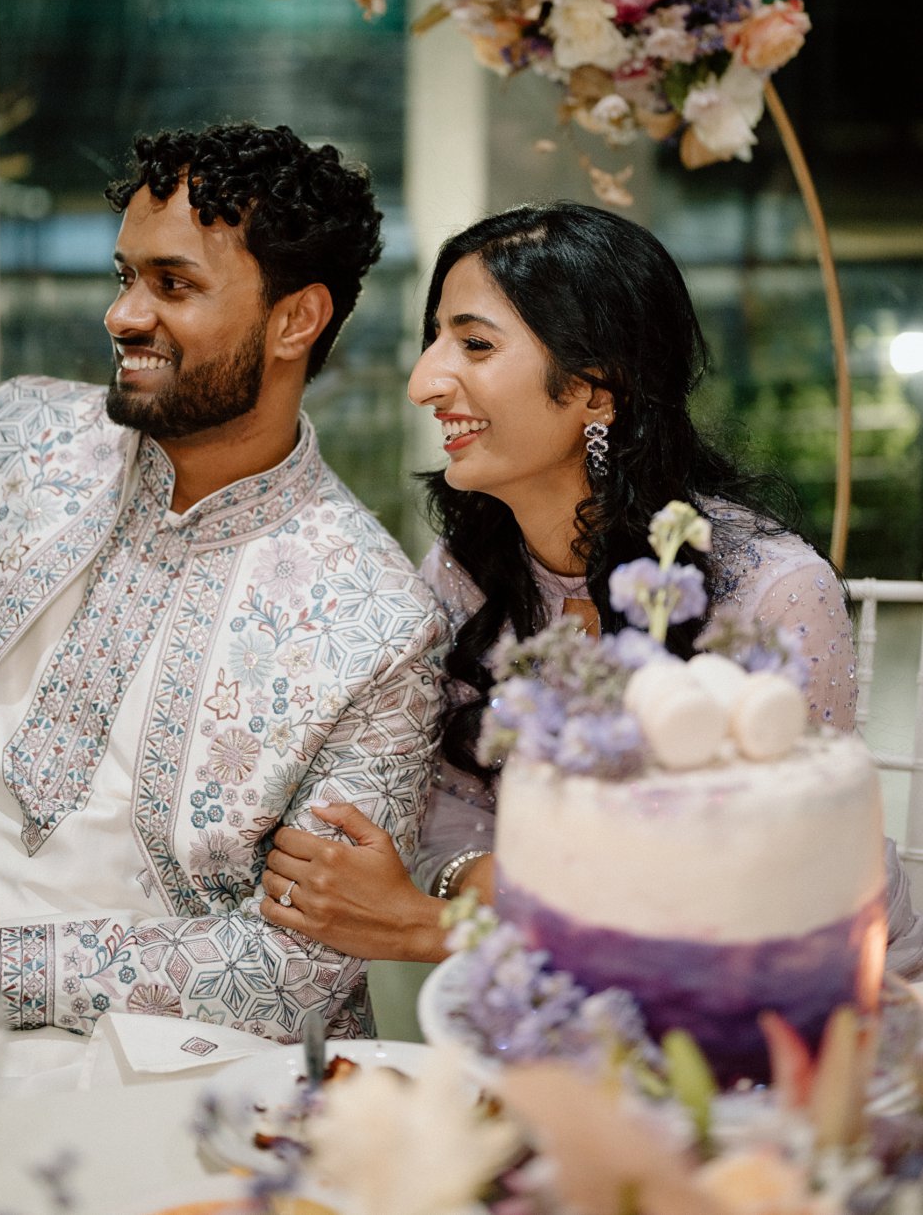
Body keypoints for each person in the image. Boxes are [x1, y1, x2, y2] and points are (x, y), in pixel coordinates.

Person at [0, 122, 446, 1039]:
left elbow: (299, 965)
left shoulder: (379, 622)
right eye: (125, 276)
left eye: (174, 284)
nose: (123, 315)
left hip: (185, 1078)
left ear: (296, 320)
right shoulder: (19, 441)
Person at [261, 200, 923, 974]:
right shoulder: (464, 574)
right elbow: (448, 810)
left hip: (817, 999)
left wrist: (432, 928)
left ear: (598, 390)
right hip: (562, 1000)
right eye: (433, 340)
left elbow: (774, 890)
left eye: (474, 343)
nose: (423, 382)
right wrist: (496, 888)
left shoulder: (774, 594)